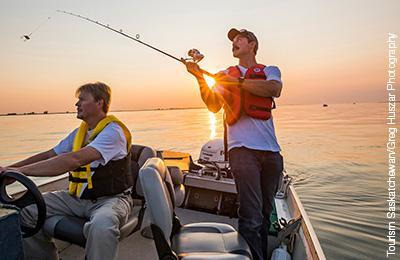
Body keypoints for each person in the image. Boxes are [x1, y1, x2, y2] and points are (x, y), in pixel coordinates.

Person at [0, 82, 134, 260]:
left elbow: (73, 160)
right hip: (77, 199)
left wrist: (21, 172)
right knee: (23, 210)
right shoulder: (79, 133)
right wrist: (11, 170)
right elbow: (50, 154)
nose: (76, 104)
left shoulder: (114, 133)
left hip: (111, 200)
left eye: (81, 100)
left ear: (100, 102)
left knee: (102, 226)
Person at [186, 28, 284, 260]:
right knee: (251, 215)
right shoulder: (223, 74)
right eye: (232, 40)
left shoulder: (270, 70)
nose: (234, 43)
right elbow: (212, 105)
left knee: (264, 212)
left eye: (239, 39)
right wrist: (200, 77)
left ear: (252, 45)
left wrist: (237, 82)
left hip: (272, 153)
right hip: (242, 151)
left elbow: (274, 89)